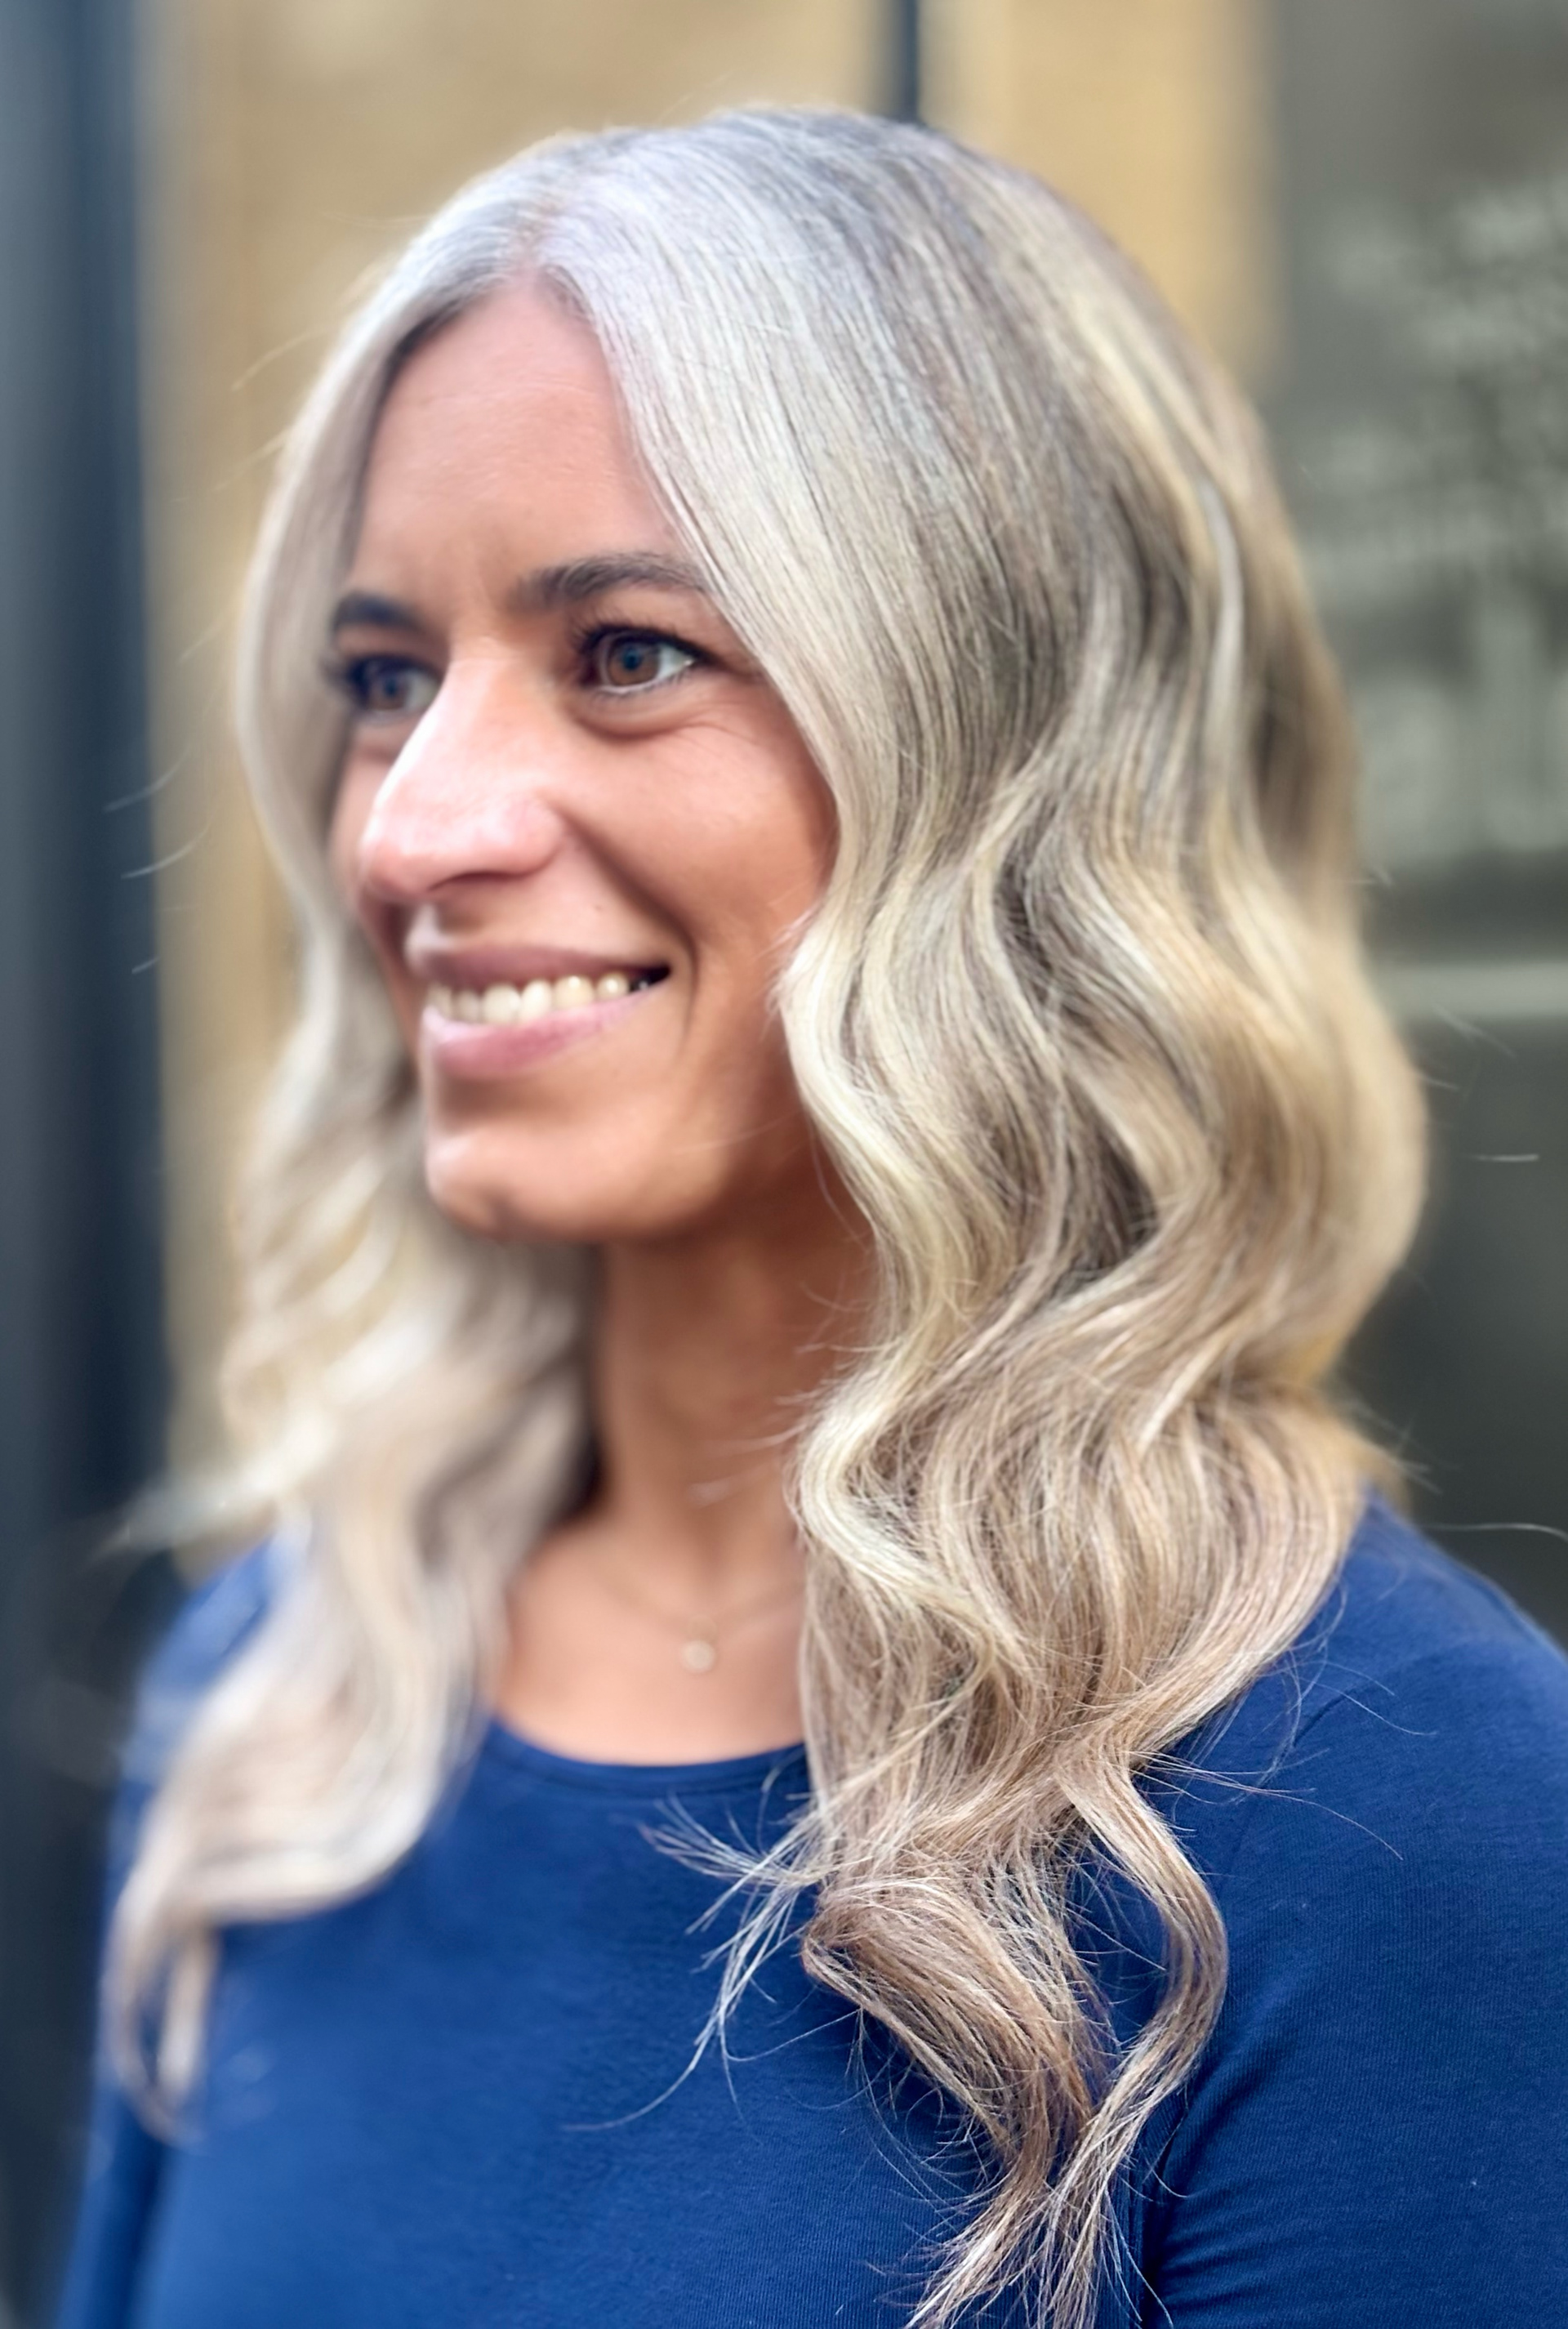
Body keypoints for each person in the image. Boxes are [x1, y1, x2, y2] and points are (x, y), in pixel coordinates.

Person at [57, 109, 1568, 2329]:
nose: (413, 828)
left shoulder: (1397, 1825)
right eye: (386, 678)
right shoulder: (288, 1700)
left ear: (1013, 758)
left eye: (627, 653)